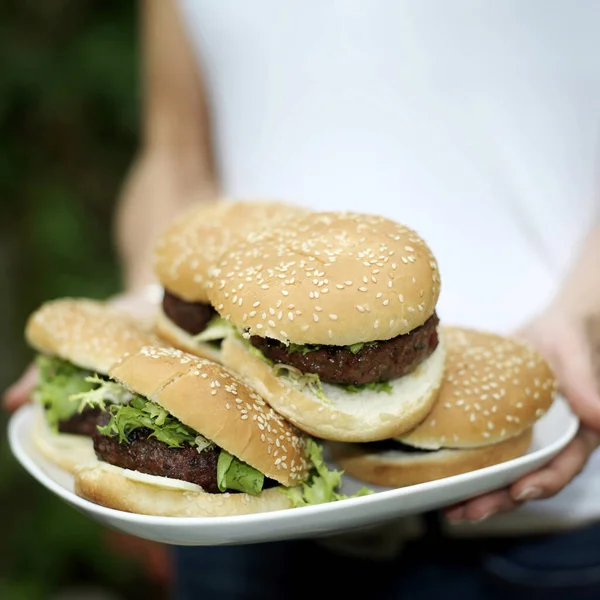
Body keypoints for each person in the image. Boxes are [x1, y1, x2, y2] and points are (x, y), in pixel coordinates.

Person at [5, 0, 600, 597]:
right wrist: (149, 304)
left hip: (540, 538)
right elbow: (174, 156)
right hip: (240, 537)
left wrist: (586, 313)